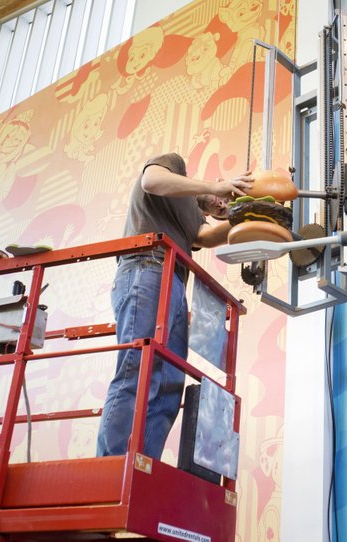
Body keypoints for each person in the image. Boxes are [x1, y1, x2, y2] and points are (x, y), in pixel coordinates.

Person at [96, 152, 252, 458]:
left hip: (175, 279)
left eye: (224, 211)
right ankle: (112, 465)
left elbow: (204, 238)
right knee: (137, 369)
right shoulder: (175, 168)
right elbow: (151, 181)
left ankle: (143, 465)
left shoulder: (193, 215)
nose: (222, 206)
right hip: (146, 266)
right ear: (219, 183)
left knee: (169, 382)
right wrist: (215, 188)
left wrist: (251, 213)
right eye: (225, 197)